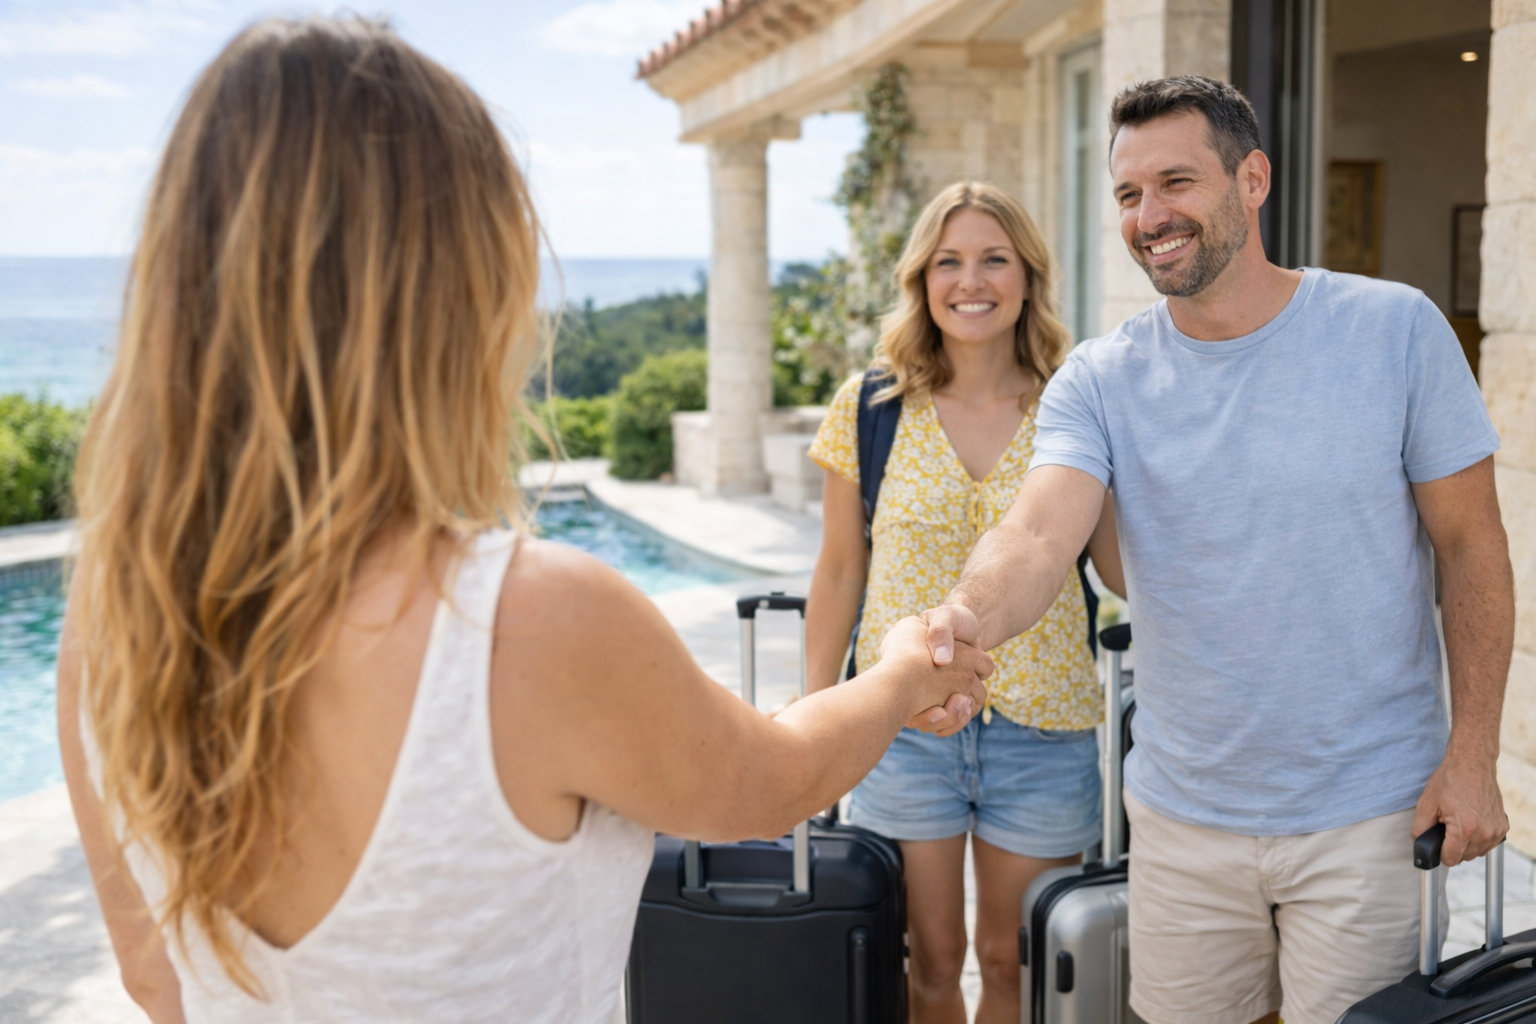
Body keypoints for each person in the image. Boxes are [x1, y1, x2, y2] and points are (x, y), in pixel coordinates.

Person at [55, 18, 992, 1024]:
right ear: (458, 291)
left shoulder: (107, 630)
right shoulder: (530, 622)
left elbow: (157, 983)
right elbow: (773, 782)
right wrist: (901, 672)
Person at [913, 75, 1515, 1024]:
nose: (1150, 216)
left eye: (1176, 182)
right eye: (1126, 194)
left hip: (1367, 811)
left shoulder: (1394, 330)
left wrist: (1474, 753)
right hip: (1183, 817)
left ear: (1253, 179)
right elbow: (1034, 533)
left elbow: (1472, 545)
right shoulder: (1100, 379)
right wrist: (962, 618)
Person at [803, 180, 1125, 1024]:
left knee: (1016, 964)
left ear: (1027, 276)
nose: (970, 280)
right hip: (899, 728)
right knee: (930, 964)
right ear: (922, 278)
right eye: (948, 261)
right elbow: (840, 571)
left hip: (1045, 729)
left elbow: (1122, 567)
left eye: (993, 258)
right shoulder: (870, 406)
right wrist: (814, 714)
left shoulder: (1077, 401)